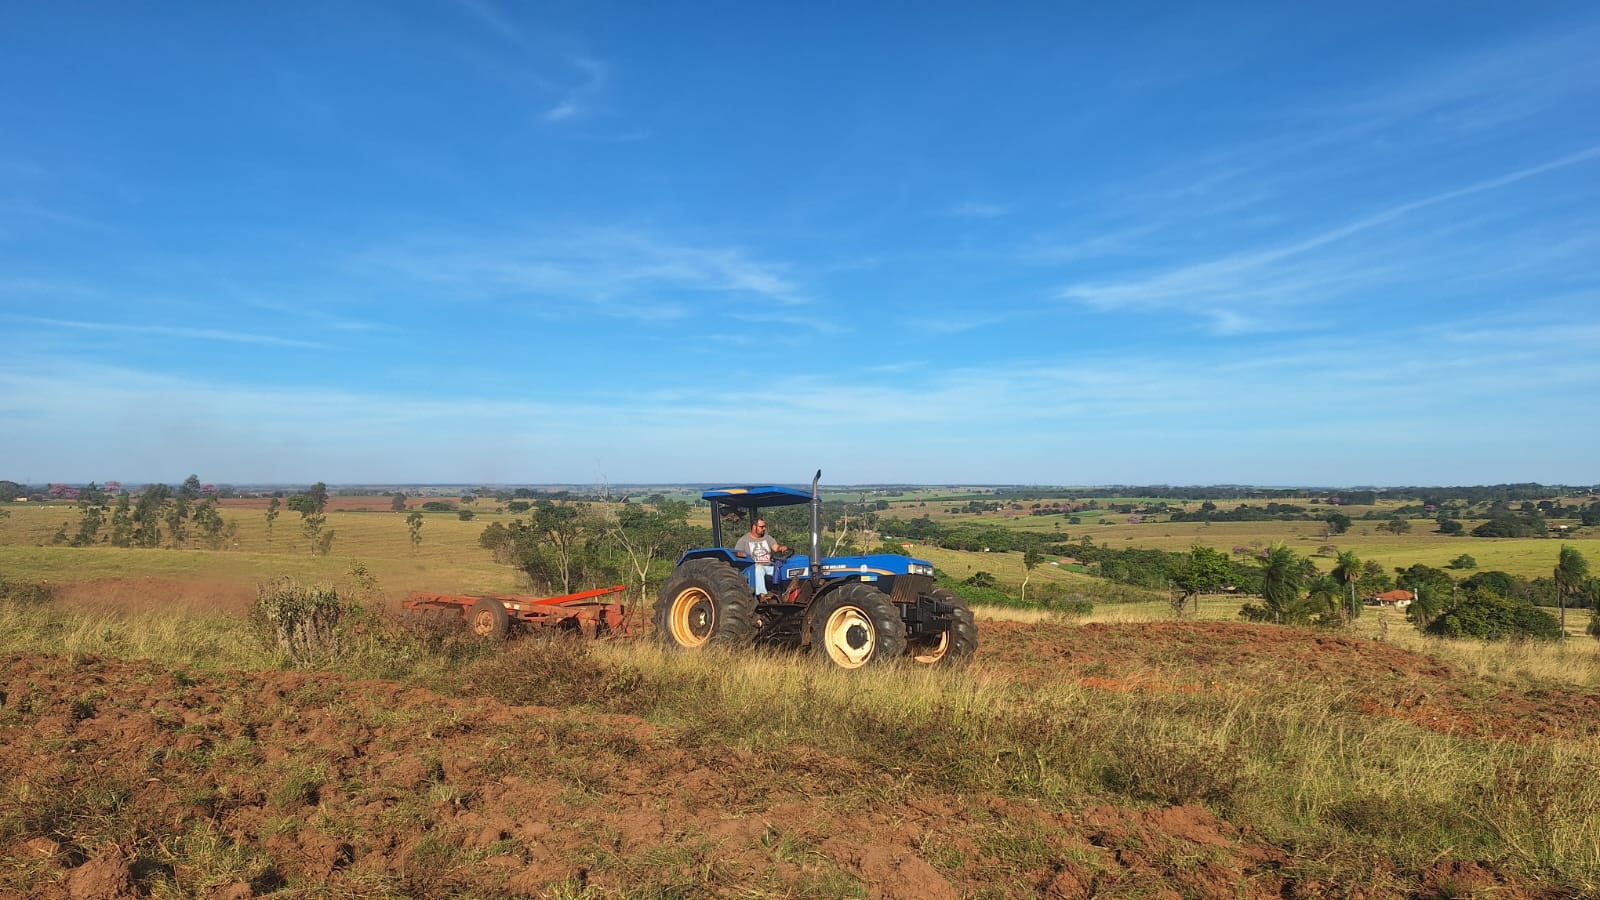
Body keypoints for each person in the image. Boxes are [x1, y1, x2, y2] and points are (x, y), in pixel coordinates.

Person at [734, 518, 788, 597]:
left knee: (784, 569)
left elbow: (776, 547)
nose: (764, 529)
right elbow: (738, 554)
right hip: (754, 568)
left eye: (764, 526)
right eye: (761, 527)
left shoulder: (767, 538)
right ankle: (762, 595)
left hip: (769, 566)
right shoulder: (743, 540)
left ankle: (786, 593)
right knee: (759, 568)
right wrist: (743, 555)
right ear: (754, 527)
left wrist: (781, 548)